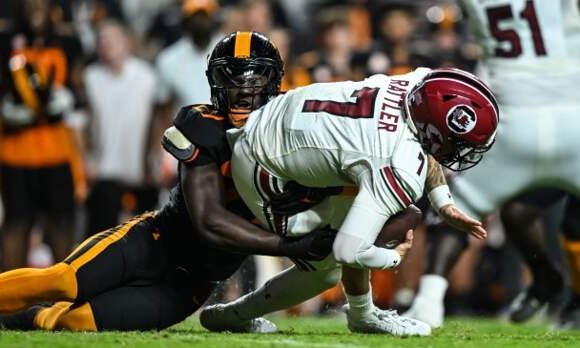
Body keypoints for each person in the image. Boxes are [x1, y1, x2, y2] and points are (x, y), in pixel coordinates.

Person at [0, 31, 336, 332]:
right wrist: (289, 244)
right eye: (232, 78)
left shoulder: (296, 134)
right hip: (152, 242)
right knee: (63, 281)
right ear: (214, 81)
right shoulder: (203, 125)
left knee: (73, 321)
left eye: (255, 78)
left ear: (275, 81)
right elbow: (209, 223)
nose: (244, 90)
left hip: (187, 288)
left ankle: (19, 317)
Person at [200, 66, 499, 335]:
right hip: (264, 170)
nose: (465, 152)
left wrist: (442, 202)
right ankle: (234, 315)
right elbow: (348, 250)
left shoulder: (416, 82)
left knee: (359, 208)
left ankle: (363, 315)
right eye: (461, 144)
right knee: (326, 269)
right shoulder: (398, 163)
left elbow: (424, 142)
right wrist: (393, 258)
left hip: (273, 123)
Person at [404, 0, 580, 328]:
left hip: (517, 120)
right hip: (573, 115)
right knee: (517, 213)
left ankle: (428, 302)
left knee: (456, 206)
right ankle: (550, 284)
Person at [83, 21, 159, 236]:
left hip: (140, 171)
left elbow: (156, 119)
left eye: (112, 38)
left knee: (146, 236)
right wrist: (86, 159)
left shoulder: (147, 77)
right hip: (103, 170)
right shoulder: (91, 77)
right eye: (102, 39)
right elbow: (84, 123)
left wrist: (156, 157)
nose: (107, 43)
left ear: (126, 41)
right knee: (102, 236)